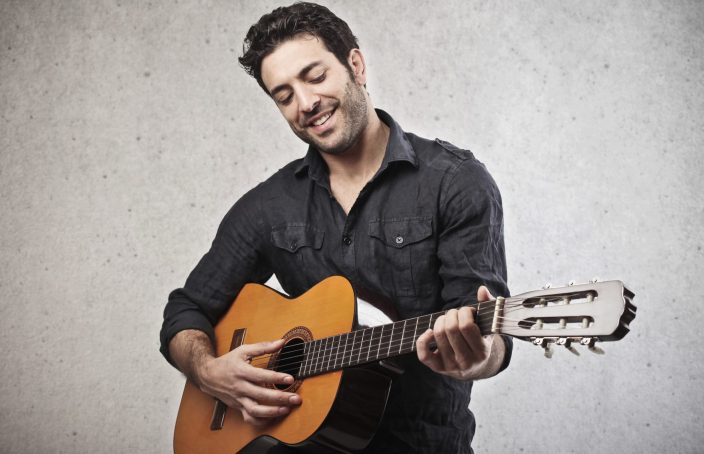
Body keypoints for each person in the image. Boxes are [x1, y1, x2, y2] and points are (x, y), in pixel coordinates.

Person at [160, 2, 512, 452]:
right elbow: (185, 311)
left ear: (355, 65)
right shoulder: (269, 205)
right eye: (284, 96)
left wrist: (479, 354)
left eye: (314, 76)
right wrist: (208, 371)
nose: (306, 104)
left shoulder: (455, 183)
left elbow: (491, 338)